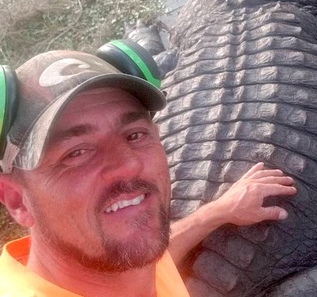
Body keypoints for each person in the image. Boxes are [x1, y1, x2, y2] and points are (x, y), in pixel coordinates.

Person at [0, 48, 297, 296]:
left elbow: (155, 259)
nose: (129, 164)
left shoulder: (117, 261)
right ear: (16, 199)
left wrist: (220, 210)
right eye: (77, 153)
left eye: (134, 135)